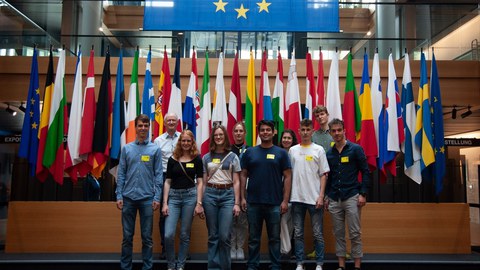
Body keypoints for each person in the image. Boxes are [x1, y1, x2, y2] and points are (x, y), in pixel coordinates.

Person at [240, 119, 292, 270]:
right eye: (262, 130)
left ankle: (275, 266)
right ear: (259, 132)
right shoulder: (250, 152)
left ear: (274, 132)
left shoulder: (281, 153)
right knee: (253, 239)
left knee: (274, 239)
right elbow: (243, 175)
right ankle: (252, 266)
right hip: (253, 202)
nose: (265, 132)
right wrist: (243, 197)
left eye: (268, 130)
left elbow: (288, 176)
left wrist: (285, 200)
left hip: (275, 203)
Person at [116, 114, 163, 270]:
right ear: (135, 127)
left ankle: (147, 267)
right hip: (128, 198)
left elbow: (158, 175)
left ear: (149, 127)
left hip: (147, 199)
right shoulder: (127, 149)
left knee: (147, 238)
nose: (143, 128)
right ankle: (125, 267)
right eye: (140, 125)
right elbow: (121, 173)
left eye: (146, 125)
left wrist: (157, 197)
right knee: (127, 237)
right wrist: (119, 195)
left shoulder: (155, 149)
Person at [325, 118, 370, 270]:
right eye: (333, 131)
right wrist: (326, 196)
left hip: (352, 196)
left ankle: (357, 266)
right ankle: (341, 266)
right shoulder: (329, 153)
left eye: (339, 130)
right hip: (334, 198)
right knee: (338, 233)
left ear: (344, 131)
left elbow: (365, 172)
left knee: (355, 232)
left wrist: (363, 193)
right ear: (330, 133)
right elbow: (328, 177)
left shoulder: (355, 149)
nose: (337, 133)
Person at [289, 119, 330, 270]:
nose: (305, 132)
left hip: (314, 199)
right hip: (296, 198)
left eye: (308, 129)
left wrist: (321, 196)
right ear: (298, 131)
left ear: (312, 131)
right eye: (303, 129)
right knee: (298, 233)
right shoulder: (292, 150)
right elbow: (288, 175)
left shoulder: (319, 150)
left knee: (317, 233)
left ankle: (319, 263)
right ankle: (300, 263)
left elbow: (323, 175)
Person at [162, 130, 204, 270]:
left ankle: (180, 265)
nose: (185, 143)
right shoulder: (172, 159)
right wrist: (165, 203)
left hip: (190, 197)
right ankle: (171, 264)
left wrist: (199, 203)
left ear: (192, 142)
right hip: (173, 198)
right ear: (180, 142)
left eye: (188, 141)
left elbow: (200, 182)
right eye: (183, 141)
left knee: (185, 234)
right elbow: (167, 181)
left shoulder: (197, 159)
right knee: (168, 234)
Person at [202, 125, 242, 270]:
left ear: (225, 137)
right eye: (216, 135)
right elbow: (203, 182)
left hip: (227, 196)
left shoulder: (233, 157)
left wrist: (237, 203)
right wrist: (200, 202)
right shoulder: (206, 157)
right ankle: (213, 267)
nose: (218, 137)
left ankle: (225, 267)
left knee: (224, 236)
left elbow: (237, 181)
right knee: (213, 236)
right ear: (213, 138)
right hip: (210, 196)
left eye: (221, 135)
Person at [154, 112, 180, 258]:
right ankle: (165, 248)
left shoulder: (183, 138)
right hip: (164, 178)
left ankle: (181, 250)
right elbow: (156, 164)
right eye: (168, 120)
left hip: (181, 178)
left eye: (173, 120)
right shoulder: (158, 141)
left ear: (177, 123)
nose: (171, 122)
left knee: (182, 215)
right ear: (164, 123)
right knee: (164, 214)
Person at [230, 121, 249, 260]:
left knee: (242, 220)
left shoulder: (251, 150)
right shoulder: (227, 150)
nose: (238, 133)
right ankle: (232, 247)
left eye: (240, 131)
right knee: (230, 220)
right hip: (230, 188)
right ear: (232, 133)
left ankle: (240, 247)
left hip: (246, 189)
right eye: (236, 131)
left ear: (245, 133)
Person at [278, 129, 298, 258]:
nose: (286, 140)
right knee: (282, 222)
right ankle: (285, 249)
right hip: (279, 194)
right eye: (284, 138)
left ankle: (289, 250)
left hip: (295, 193)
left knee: (293, 224)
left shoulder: (296, 154)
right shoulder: (277, 153)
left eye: (289, 138)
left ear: (293, 140)